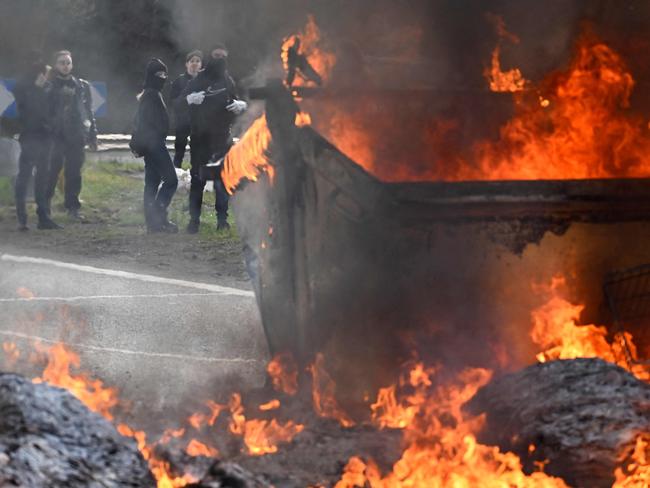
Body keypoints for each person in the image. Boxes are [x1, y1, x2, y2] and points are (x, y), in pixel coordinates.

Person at [183, 43, 247, 233]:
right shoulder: (198, 79)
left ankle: (222, 220)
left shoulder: (228, 80)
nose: (219, 60)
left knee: (222, 180)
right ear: (210, 57)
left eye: (223, 57)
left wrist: (240, 106)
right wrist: (189, 99)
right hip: (200, 138)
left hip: (222, 138)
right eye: (216, 56)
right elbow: (178, 104)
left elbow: (234, 103)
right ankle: (194, 221)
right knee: (197, 179)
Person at [46, 50, 97, 220]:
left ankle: (73, 208)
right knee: (52, 170)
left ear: (72, 64)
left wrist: (92, 135)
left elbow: (88, 111)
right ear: (55, 65)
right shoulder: (49, 84)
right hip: (56, 134)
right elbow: (43, 110)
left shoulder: (81, 85)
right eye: (62, 62)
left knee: (74, 172)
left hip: (76, 134)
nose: (65, 66)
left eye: (68, 62)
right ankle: (45, 205)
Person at [130, 58, 178, 233]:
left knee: (151, 183)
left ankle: (153, 223)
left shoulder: (149, 93)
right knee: (171, 180)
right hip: (155, 144)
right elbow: (148, 123)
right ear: (151, 76)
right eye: (159, 74)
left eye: (165, 74)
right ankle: (158, 216)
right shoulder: (152, 94)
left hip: (151, 144)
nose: (163, 77)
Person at [13, 61, 62, 230]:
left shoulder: (44, 89)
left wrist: (52, 126)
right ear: (39, 73)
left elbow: (54, 111)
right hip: (31, 137)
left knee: (41, 176)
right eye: (45, 73)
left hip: (43, 137)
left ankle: (42, 216)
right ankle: (23, 218)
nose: (47, 77)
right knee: (26, 176)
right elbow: (31, 112)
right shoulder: (25, 89)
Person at [170, 50, 202, 168]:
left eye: (197, 61)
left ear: (201, 64)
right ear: (187, 64)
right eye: (192, 61)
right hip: (182, 121)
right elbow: (173, 103)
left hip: (199, 122)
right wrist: (187, 100)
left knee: (197, 152)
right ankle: (175, 175)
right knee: (179, 152)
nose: (194, 64)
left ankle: (196, 177)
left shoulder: (204, 81)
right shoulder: (179, 81)